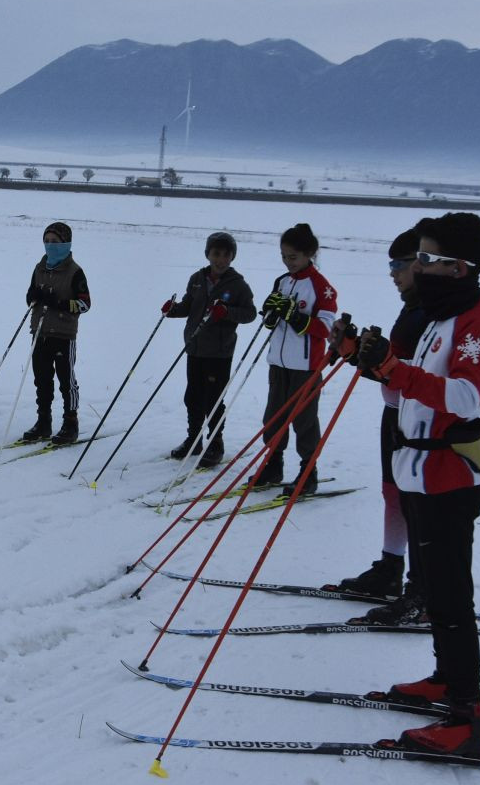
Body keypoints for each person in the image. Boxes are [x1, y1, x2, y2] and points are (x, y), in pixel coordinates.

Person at [360, 212, 480, 756]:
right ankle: (446, 681)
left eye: (425, 258)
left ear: (457, 267)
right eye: (415, 258)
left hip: (450, 476)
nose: (416, 267)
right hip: (418, 472)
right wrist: (370, 359)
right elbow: (408, 386)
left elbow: (465, 397)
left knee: (451, 593)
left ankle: (466, 719)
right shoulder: (437, 318)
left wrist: (395, 370)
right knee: (438, 593)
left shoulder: (477, 324)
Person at [326, 229, 430, 616]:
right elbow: (390, 369)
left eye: (399, 265)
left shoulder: (432, 313)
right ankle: (391, 567)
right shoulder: (412, 307)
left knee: (415, 501)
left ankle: (422, 589)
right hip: (395, 414)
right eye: (391, 265)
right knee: (393, 495)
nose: (393, 273)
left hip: (418, 420)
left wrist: (380, 361)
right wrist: (357, 352)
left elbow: (424, 374)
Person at [161, 231, 256, 467]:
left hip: (219, 352)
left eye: (226, 255)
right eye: (216, 254)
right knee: (193, 397)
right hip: (194, 347)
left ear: (232, 257)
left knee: (214, 400)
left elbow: (250, 314)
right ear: (208, 254)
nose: (220, 259)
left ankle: (215, 444)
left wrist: (228, 312)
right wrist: (173, 310)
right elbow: (188, 306)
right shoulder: (197, 278)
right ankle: (194, 440)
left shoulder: (238, 285)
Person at [257, 223, 338, 495]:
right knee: (273, 418)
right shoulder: (282, 281)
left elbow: (325, 329)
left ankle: (308, 472)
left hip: (306, 367)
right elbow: (273, 320)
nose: (288, 262)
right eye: (283, 256)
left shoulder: (321, 287)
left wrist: (295, 316)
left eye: (293, 257)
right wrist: (270, 313)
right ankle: (273, 465)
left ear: (309, 254)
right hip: (278, 363)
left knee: (304, 421)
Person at [21, 222, 92, 444]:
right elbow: (31, 296)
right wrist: (32, 296)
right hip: (40, 331)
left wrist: (61, 303)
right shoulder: (39, 267)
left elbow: (85, 304)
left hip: (63, 333)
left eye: (55, 242)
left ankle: (71, 423)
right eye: (47, 241)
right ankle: (43, 422)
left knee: (66, 380)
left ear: (66, 244)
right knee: (41, 379)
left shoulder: (75, 271)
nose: (50, 246)